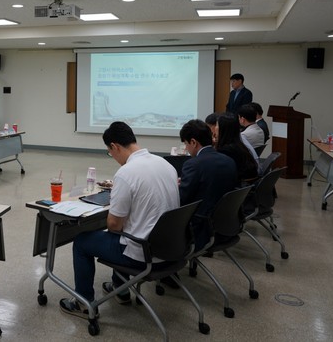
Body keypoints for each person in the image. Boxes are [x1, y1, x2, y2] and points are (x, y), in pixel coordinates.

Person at [59, 121, 179, 318]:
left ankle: (83, 303)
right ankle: (120, 289)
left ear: (114, 146)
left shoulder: (126, 173)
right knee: (126, 232)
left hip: (144, 255)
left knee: (82, 242)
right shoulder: (165, 164)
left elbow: (114, 225)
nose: (112, 157)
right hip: (171, 250)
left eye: (110, 152)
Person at [179, 119, 240, 250]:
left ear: (193, 142)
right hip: (226, 225)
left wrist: (177, 186)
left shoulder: (193, 165)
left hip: (200, 229)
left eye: (186, 144)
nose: (186, 148)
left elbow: (181, 199)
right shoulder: (229, 161)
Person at [216, 112, 259, 185]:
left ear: (223, 128)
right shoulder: (238, 145)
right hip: (248, 186)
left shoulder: (226, 150)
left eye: (217, 125)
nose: (215, 128)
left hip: (240, 186)